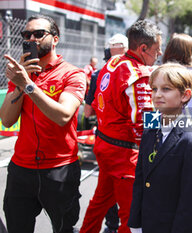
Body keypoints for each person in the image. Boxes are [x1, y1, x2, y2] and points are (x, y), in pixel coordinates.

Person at [0, 14, 86, 233]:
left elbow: (63, 116)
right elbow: (7, 120)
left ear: (55, 39)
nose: (32, 38)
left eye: (39, 34)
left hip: (59, 170)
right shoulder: (22, 73)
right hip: (21, 168)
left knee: (64, 228)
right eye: (26, 34)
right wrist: (19, 84)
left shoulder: (72, 73)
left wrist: (28, 85)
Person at [79, 20, 162, 233]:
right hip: (125, 155)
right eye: (156, 49)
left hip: (105, 144)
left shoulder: (112, 63)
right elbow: (144, 121)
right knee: (131, 216)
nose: (159, 53)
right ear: (143, 48)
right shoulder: (138, 73)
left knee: (99, 203)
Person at [128, 63, 192, 233]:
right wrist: (135, 222)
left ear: (185, 95)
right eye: (154, 89)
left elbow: (190, 201)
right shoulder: (150, 129)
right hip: (147, 223)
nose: (157, 95)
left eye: (166, 89)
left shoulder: (191, 140)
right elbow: (140, 179)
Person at [83, 33, 128, 233]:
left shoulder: (98, 73)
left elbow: (88, 111)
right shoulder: (136, 72)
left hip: (104, 141)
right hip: (125, 147)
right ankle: (113, 226)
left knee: (102, 196)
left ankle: (110, 226)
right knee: (126, 204)